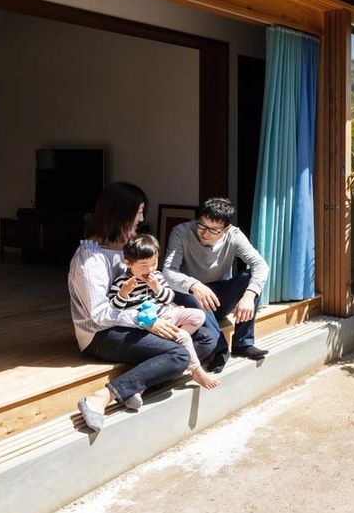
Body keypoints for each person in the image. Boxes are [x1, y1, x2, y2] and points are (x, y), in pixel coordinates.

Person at [68, 182, 224, 432]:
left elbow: (154, 282)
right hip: (100, 333)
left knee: (207, 338)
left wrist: (163, 310)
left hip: (138, 319)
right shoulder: (91, 257)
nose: (142, 218)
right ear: (119, 214)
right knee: (180, 354)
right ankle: (102, 397)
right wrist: (147, 322)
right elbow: (98, 315)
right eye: (138, 212)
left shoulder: (131, 246)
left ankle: (139, 383)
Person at [162, 197, 270, 362]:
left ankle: (243, 343)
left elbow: (260, 265)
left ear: (226, 229)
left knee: (251, 279)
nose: (205, 233)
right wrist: (194, 285)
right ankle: (219, 349)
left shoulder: (233, 235)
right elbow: (168, 272)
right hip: (190, 296)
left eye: (214, 230)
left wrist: (249, 295)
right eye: (202, 226)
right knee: (194, 295)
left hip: (218, 297)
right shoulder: (181, 232)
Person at [111, 233, 217, 392]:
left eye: (154, 263)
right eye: (144, 266)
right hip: (151, 322)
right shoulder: (122, 282)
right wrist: (124, 293)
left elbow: (169, 297)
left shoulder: (157, 276)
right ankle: (196, 370)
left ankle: (173, 340)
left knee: (199, 315)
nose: (150, 269)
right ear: (128, 263)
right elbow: (115, 307)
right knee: (184, 336)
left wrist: (157, 288)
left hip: (169, 313)